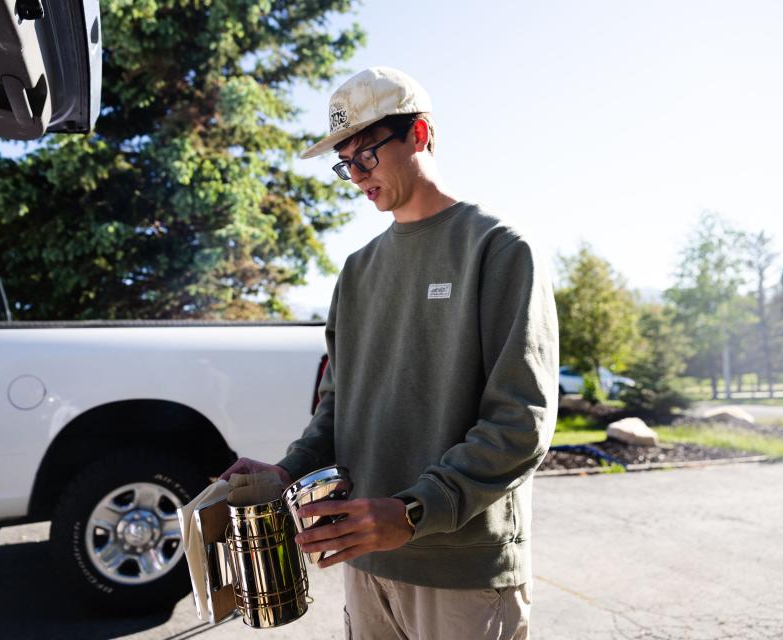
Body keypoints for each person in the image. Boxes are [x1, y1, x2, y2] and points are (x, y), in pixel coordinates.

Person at [220, 66, 558, 640]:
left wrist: (413, 512)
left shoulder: (498, 249)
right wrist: (285, 472)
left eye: (366, 156)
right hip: (367, 564)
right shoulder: (356, 272)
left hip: (461, 572)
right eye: (344, 164)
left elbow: (519, 423)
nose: (354, 177)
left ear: (420, 134)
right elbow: (337, 409)